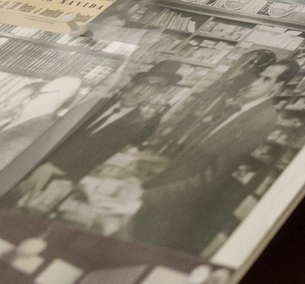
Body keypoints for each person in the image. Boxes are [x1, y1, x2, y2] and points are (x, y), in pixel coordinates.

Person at [132, 55, 299, 255]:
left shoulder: (263, 119)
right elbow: (193, 157)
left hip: (177, 206)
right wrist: (151, 184)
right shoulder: (239, 109)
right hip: (165, 191)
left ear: (277, 88)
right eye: (258, 76)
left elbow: (212, 177)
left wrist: (151, 195)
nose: (254, 83)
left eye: (266, 80)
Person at [16, 61, 184, 197]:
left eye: (153, 87)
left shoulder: (136, 124)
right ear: (133, 84)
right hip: (31, 161)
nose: (143, 91)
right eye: (144, 84)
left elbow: (96, 156)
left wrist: (52, 167)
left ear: (157, 94)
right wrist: (42, 162)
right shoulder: (95, 103)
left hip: (59, 179)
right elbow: (53, 132)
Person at [0, 77, 82, 209]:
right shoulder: (11, 124)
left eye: (37, 95)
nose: (25, 100)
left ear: (61, 96)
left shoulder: (33, 136)